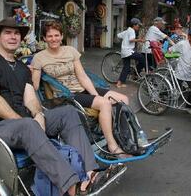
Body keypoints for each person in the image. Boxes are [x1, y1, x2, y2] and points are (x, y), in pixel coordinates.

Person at [0, 18, 104, 195]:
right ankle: (70, 186)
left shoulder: (21, 67)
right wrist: (27, 122)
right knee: (28, 125)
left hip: (25, 123)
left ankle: (89, 174)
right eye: (8, 33)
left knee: (67, 113)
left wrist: (38, 115)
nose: (13, 37)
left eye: (17, 33)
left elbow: (30, 98)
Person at [31, 20, 131, 158]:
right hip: (66, 95)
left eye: (56, 35)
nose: (53, 39)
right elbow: (35, 86)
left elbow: (82, 76)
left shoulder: (71, 51)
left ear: (61, 36)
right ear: (44, 38)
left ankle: (124, 139)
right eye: (49, 36)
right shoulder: (39, 58)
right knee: (105, 104)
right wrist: (27, 73)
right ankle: (113, 146)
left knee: (123, 99)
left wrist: (95, 94)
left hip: (82, 89)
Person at [169, 29, 191, 103]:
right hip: (181, 72)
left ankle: (189, 107)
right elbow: (171, 50)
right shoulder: (182, 44)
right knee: (172, 91)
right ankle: (162, 102)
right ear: (189, 37)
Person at [116, 18, 145, 88]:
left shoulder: (127, 31)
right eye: (138, 25)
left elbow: (118, 35)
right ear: (134, 25)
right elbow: (131, 39)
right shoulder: (131, 31)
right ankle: (135, 74)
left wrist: (125, 38)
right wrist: (140, 40)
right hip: (128, 52)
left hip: (124, 51)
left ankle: (119, 83)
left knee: (126, 67)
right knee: (142, 58)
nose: (138, 27)